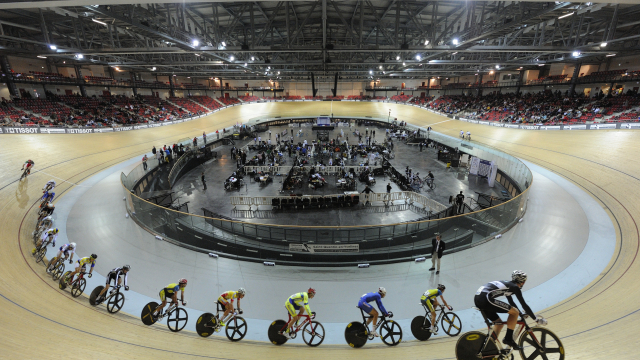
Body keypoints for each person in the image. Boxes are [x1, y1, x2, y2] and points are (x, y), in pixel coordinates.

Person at [474, 271, 547, 350]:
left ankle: (488, 348)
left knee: (499, 324)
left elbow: (511, 303)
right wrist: (536, 319)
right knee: (515, 312)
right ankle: (508, 339)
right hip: (485, 298)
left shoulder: (509, 285)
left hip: (479, 298)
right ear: (523, 282)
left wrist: (521, 315)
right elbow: (524, 305)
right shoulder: (515, 287)